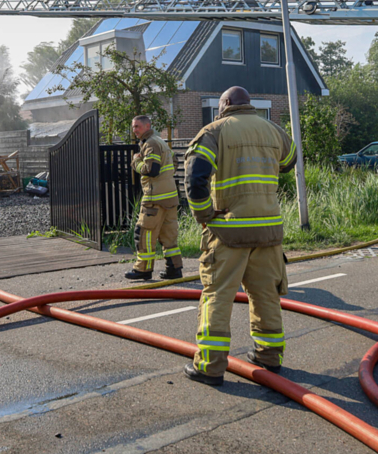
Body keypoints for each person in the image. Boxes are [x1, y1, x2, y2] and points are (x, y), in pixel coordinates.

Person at [181, 86, 297, 386]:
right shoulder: (273, 130)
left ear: (227, 104)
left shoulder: (214, 131)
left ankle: (210, 366)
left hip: (230, 232)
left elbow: (195, 179)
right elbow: (289, 161)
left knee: (218, 297)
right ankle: (269, 356)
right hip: (269, 230)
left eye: (220, 106)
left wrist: (205, 217)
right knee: (266, 295)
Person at [126, 115, 182, 281]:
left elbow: (152, 170)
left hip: (155, 199)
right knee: (169, 235)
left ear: (147, 126)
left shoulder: (150, 143)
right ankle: (174, 269)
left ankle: (143, 269)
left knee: (144, 233)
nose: (134, 130)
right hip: (170, 198)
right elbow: (175, 162)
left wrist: (136, 162)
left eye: (137, 126)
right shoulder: (161, 141)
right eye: (133, 127)